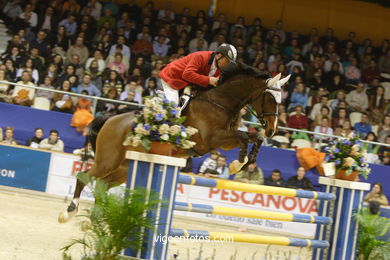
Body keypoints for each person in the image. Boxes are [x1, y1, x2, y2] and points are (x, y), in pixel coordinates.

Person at [159, 43, 237, 107]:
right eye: (227, 61)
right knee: (173, 104)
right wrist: (209, 80)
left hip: (186, 83)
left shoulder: (221, 68)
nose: (227, 65)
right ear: (218, 56)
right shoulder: (200, 56)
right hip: (172, 77)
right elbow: (187, 74)